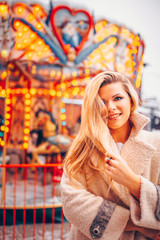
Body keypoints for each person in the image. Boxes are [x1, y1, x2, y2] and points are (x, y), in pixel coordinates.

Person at [60, 71, 160, 240]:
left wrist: (132, 181)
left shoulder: (156, 143)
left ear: (131, 99)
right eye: (102, 102)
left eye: (117, 98)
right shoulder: (82, 149)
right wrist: (136, 224)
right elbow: (72, 202)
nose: (110, 107)